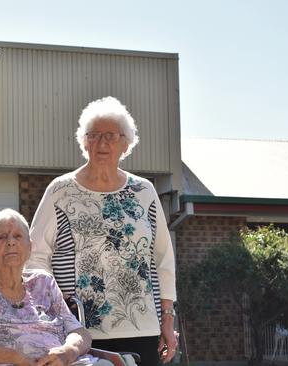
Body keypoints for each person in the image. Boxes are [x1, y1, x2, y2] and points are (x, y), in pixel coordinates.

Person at [27, 97, 177, 365]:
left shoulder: (144, 192)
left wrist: (167, 317)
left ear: (125, 143)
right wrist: (53, 310)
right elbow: (36, 256)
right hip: (78, 330)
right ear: (84, 142)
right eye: (93, 135)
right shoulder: (60, 191)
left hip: (143, 327)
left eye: (110, 136)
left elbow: (163, 258)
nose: (102, 143)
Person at [0, 209, 114, 366]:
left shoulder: (43, 282)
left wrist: (68, 352)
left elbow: (79, 332)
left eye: (18, 236)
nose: (11, 242)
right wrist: (17, 358)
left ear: (30, 247)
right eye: (2, 237)